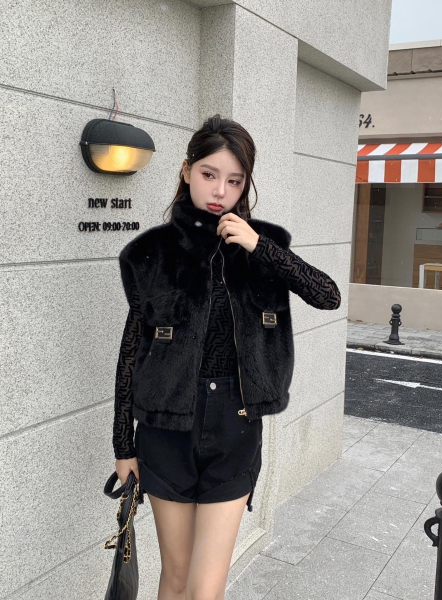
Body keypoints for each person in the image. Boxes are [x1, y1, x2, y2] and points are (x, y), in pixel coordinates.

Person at [112, 114, 341, 600]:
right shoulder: (150, 253)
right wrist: (123, 445)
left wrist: (261, 248)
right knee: (175, 579)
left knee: (206, 588)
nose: (220, 191)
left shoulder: (266, 247)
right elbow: (132, 350)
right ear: (186, 170)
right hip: (165, 429)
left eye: (234, 181)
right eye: (209, 174)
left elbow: (328, 295)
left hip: (235, 427)